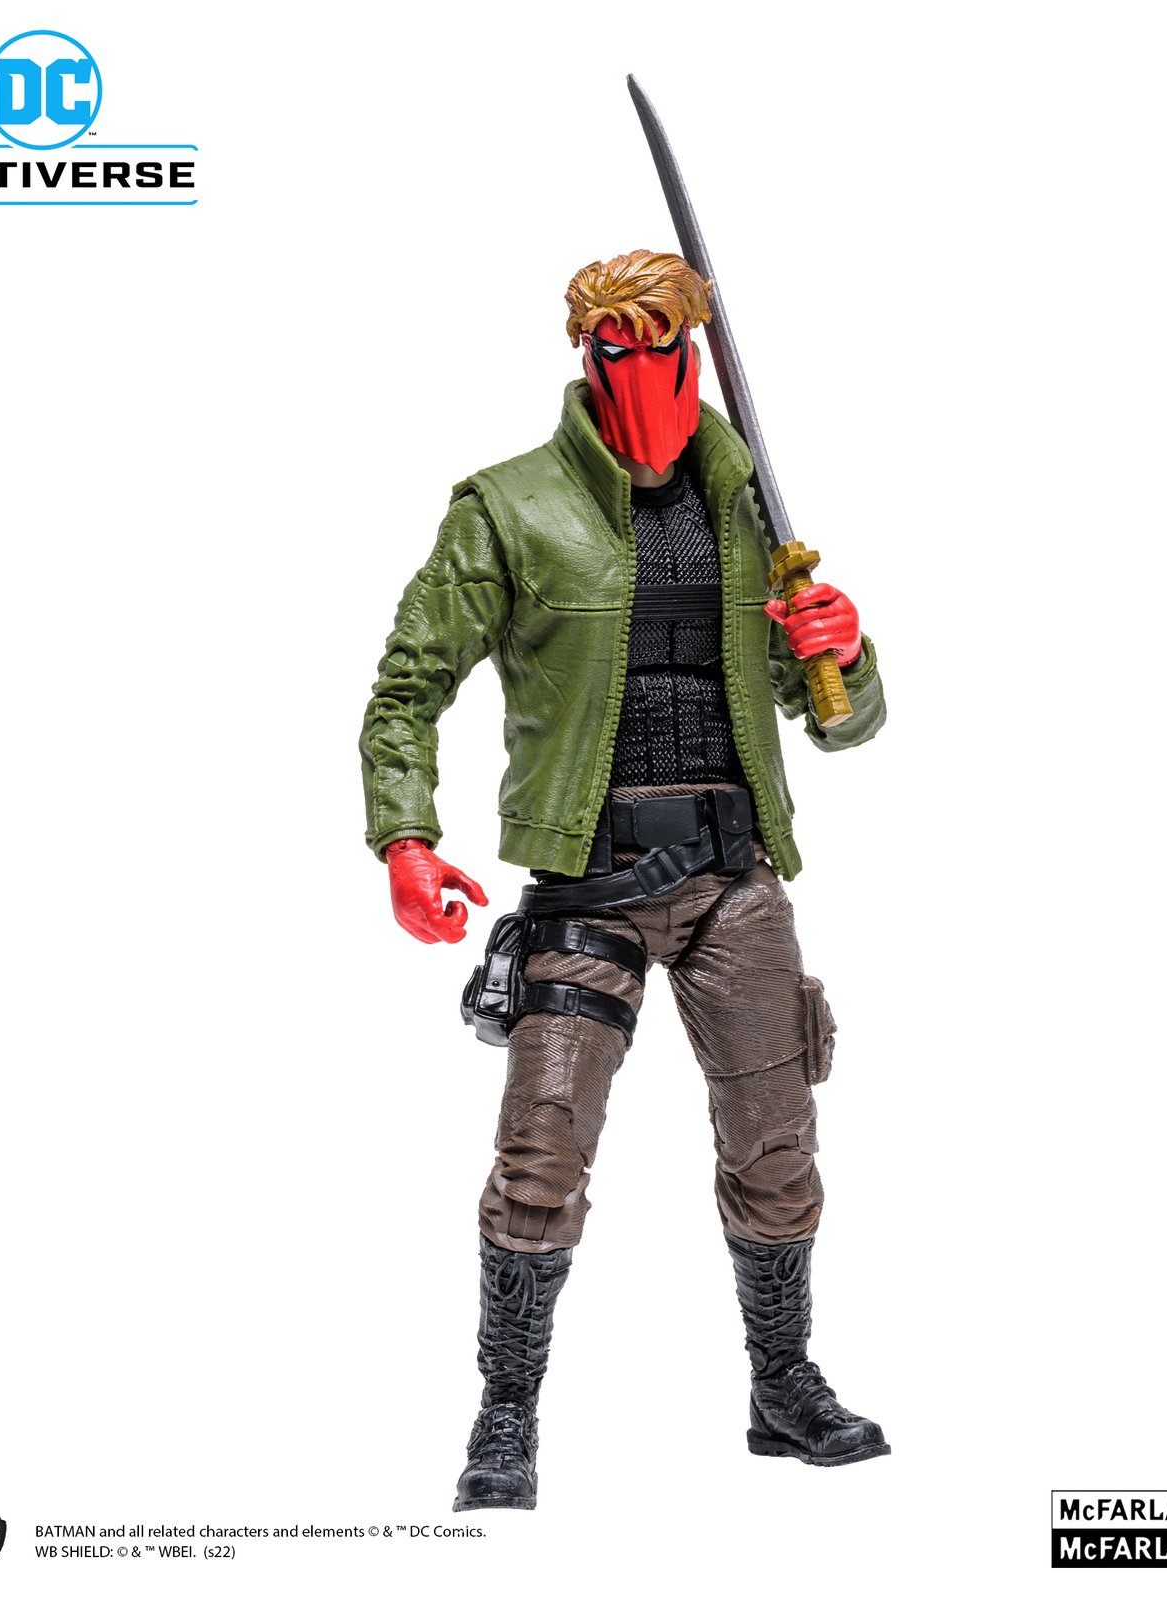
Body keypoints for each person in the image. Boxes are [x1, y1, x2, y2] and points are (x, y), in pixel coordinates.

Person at [360, 250, 890, 1511]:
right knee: (540, 1151)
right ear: (586, 355)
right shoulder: (508, 507)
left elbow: (840, 722)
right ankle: (504, 1415)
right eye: (616, 349)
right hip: (589, 881)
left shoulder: (749, 510)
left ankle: (782, 1383)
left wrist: (846, 649)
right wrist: (404, 837)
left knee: (776, 1141)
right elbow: (406, 688)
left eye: (663, 348)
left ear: (692, 351)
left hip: (733, 875)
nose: (643, 371)